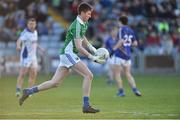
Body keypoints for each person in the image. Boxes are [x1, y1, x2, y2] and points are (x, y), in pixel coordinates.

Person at [19, 2, 105, 113]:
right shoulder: (77, 25)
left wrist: (91, 47)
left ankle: (28, 91)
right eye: (88, 14)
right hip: (68, 54)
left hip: (67, 54)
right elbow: (78, 47)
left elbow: (82, 36)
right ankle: (86, 106)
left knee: (55, 82)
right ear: (82, 13)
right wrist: (91, 56)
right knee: (89, 75)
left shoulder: (83, 23)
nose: (90, 16)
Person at [110, 15, 142, 97]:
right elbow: (135, 43)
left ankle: (121, 92)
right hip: (128, 55)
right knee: (128, 74)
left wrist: (113, 50)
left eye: (118, 21)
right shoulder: (131, 30)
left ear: (120, 22)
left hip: (119, 54)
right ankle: (135, 89)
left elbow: (121, 40)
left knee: (117, 74)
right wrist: (128, 46)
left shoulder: (121, 29)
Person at [16, 18, 45, 97]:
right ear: (27, 25)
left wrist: (40, 48)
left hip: (33, 57)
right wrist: (18, 46)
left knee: (34, 74)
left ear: (35, 25)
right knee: (23, 73)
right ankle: (18, 90)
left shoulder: (35, 32)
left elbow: (34, 43)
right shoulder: (25, 33)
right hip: (26, 56)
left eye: (33, 24)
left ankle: (29, 91)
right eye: (30, 24)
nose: (32, 26)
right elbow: (19, 40)